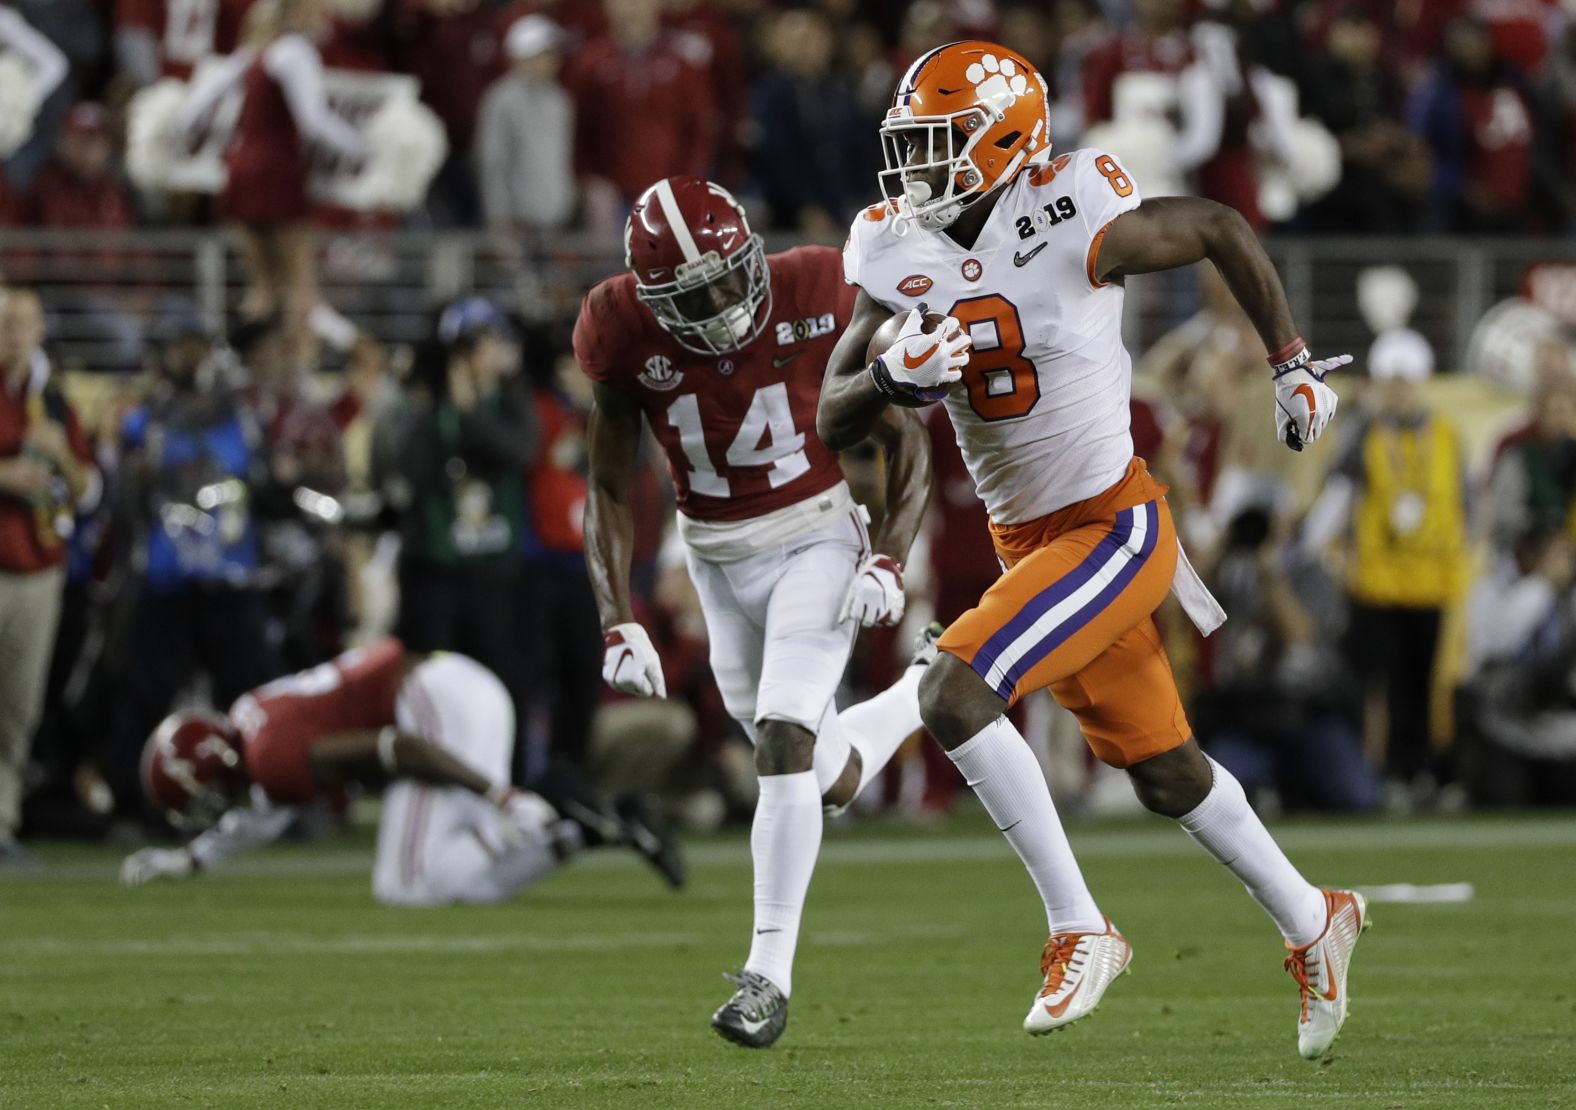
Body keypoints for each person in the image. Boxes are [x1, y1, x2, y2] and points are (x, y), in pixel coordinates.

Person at [817, 40, 1365, 1060]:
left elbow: (1217, 224)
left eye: (941, 147)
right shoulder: (893, 250)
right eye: (913, 149)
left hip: (1113, 524)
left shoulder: (1068, 209)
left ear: (1008, 142)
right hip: (1027, 538)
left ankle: (1079, 926)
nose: (917, 173)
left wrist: (1288, 364)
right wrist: (892, 377)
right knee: (1165, 775)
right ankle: (1313, 916)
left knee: (952, 691)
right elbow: (832, 414)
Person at [574, 175, 937, 1048]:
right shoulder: (617, 328)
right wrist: (615, 616)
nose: (723, 303)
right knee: (829, 779)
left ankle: (766, 978)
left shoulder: (819, 286)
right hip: (713, 554)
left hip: (815, 533)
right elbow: (609, 483)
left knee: (784, 735)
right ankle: (931, 686)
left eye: (730, 277)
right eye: (691, 295)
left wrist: (886, 555)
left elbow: (904, 436)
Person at [119, 636, 684, 902]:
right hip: (451, 692)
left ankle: (556, 801)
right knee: (464, 884)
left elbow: (394, 747)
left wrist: (497, 793)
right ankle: (585, 827)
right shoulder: (250, 725)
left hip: (437, 707)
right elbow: (266, 813)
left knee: (407, 883)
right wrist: (194, 859)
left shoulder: (269, 756)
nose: (202, 811)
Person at [0, 286, 97, 863]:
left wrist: (60, 457)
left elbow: (90, 492)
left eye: (22, 322)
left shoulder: (54, 403)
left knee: (18, 707)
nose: (13, 332)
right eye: (5, 321)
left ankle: (1, 823)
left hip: (38, 572)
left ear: (40, 331)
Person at [476, 14, 575, 234]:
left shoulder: (559, 99)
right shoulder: (501, 100)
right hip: (518, 224)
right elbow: (494, 163)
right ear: (521, 56)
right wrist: (499, 221)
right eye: (543, 54)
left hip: (555, 222)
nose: (552, 60)